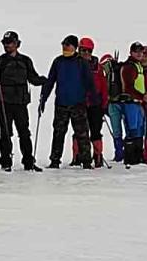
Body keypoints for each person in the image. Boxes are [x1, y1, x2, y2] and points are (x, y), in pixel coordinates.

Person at [0, 30, 46, 172]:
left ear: (17, 44)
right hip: (4, 104)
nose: (7, 45)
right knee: (6, 133)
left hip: (20, 103)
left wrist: (43, 81)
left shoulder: (25, 61)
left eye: (10, 42)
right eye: (5, 43)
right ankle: (6, 161)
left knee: (24, 133)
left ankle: (28, 161)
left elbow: (32, 78)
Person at [40, 35, 95, 169]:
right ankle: (55, 160)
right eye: (64, 44)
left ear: (75, 47)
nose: (65, 47)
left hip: (78, 104)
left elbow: (89, 83)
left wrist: (94, 100)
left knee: (82, 134)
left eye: (68, 44)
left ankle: (86, 161)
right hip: (61, 104)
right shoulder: (58, 62)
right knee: (58, 133)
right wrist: (43, 97)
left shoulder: (82, 62)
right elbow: (50, 80)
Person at [118, 42, 147, 166]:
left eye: (140, 52)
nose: (139, 54)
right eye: (136, 51)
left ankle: (137, 157)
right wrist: (143, 96)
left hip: (138, 103)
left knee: (139, 129)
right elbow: (129, 87)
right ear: (131, 53)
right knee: (132, 130)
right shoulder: (129, 67)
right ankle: (130, 158)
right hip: (130, 102)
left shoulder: (138, 66)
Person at [80, 39, 109, 167]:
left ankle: (98, 156)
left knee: (95, 131)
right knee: (80, 131)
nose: (86, 53)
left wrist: (103, 103)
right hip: (79, 103)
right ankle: (78, 156)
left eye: (89, 50)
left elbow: (103, 86)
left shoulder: (98, 67)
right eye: (83, 50)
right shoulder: (75, 64)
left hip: (95, 104)